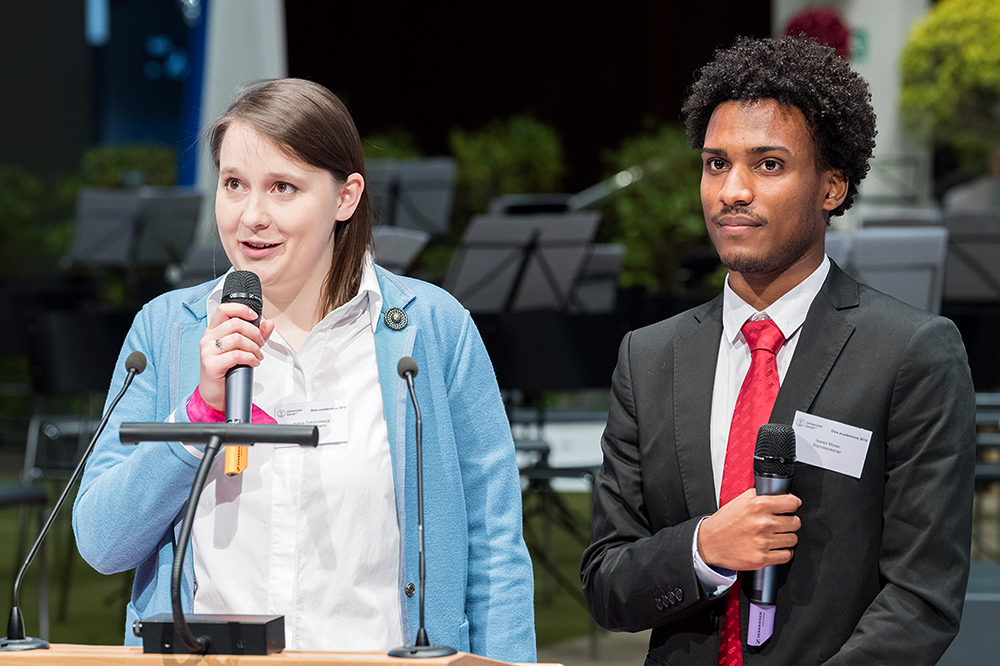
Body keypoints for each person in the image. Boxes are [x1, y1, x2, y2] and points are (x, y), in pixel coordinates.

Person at [72, 78, 536, 661]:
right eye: (234, 184)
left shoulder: (432, 329)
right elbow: (102, 542)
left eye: (283, 187)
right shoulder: (166, 331)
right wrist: (199, 414)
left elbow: (494, 547)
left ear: (346, 197)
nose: (252, 216)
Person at [581, 36, 975, 665]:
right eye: (716, 164)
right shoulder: (649, 357)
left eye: (767, 165)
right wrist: (703, 548)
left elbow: (921, 600)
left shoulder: (911, 353)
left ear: (832, 187)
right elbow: (607, 584)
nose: (732, 190)